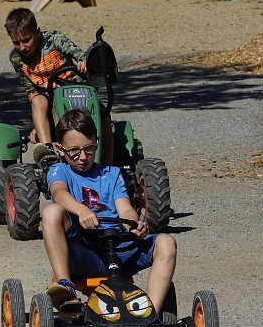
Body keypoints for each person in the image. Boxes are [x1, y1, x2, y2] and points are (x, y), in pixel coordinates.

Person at [41, 109, 176, 314]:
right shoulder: (60, 171)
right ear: (60, 149)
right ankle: (65, 285)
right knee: (51, 212)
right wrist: (81, 211)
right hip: (83, 250)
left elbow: (125, 209)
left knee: (166, 242)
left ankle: (151, 318)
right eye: (74, 151)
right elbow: (58, 193)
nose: (82, 156)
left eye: (89, 148)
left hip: (117, 248)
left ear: (97, 142)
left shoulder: (111, 174)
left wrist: (135, 224)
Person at [4, 8, 113, 165]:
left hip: (76, 90)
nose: (22, 47)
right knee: (37, 99)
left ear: (37, 32)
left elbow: (79, 54)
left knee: (104, 116)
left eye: (26, 40)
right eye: (16, 43)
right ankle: (48, 151)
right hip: (50, 101)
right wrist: (37, 125)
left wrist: (83, 63)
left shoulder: (53, 39)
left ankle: (107, 165)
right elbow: (30, 90)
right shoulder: (15, 58)